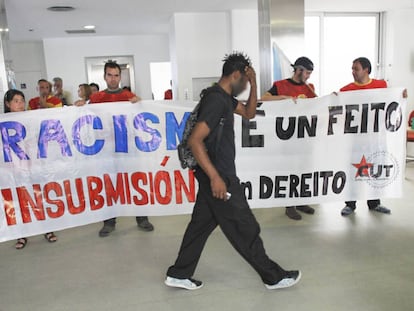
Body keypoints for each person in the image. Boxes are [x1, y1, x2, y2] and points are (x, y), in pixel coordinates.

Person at [165, 52, 301, 290]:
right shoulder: (216, 100)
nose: (246, 85)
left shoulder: (223, 98)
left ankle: (179, 273)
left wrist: (255, 82)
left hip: (215, 175)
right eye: (245, 81)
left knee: (200, 226)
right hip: (220, 177)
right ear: (235, 75)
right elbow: (195, 141)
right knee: (245, 227)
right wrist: (216, 178)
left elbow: (249, 113)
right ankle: (273, 277)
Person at [89, 61, 153, 236]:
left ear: (120, 76)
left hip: (128, 148)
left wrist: (140, 104)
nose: (113, 78)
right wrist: (79, 107)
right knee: (109, 184)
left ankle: (142, 218)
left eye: (116, 75)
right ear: (104, 77)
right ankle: (109, 222)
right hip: (106, 150)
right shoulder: (96, 98)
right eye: (109, 75)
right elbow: (86, 117)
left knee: (135, 181)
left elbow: (140, 117)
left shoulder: (128, 95)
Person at [339, 57, 404, 216]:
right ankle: (350, 204)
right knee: (354, 170)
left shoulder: (381, 86)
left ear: (366, 70)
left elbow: (393, 99)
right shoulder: (346, 90)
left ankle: (374, 203)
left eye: (356, 68)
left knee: (376, 170)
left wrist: (402, 95)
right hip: (356, 140)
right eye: (352, 68)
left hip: (375, 139)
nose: (353, 72)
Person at [261, 56, 317, 220]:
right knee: (290, 171)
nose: (308, 76)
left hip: (305, 136)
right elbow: (264, 98)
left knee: (303, 170)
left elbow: (318, 104)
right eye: (306, 72)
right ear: (298, 70)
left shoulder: (310, 88)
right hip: (287, 137)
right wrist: (284, 98)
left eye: (310, 73)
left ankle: (301, 201)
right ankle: (289, 205)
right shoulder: (280, 85)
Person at [3, 89, 58, 249]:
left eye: (22, 100)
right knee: (17, 201)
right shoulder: (3, 122)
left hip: (32, 165)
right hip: (13, 168)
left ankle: (47, 229)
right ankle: (21, 235)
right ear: (8, 104)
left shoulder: (31, 118)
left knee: (38, 197)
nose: (20, 104)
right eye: (16, 101)